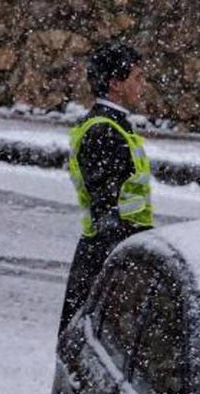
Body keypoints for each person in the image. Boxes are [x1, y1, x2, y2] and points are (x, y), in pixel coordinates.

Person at [56, 40, 154, 338]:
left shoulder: (112, 126)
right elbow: (107, 211)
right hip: (108, 256)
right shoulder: (104, 131)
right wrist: (127, 265)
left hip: (109, 253)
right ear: (115, 84)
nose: (143, 85)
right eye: (137, 78)